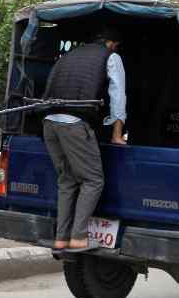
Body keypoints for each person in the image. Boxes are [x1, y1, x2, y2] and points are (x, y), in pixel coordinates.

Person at [42, 27, 127, 253]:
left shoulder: (69, 55)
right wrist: (117, 135)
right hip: (74, 124)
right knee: (93, 180)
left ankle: (61, 239)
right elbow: (118, 94)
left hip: (49, 122)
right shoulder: (111, 56)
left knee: (67, 180)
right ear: (111, 43)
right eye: (117, 46)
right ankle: (79, 238)